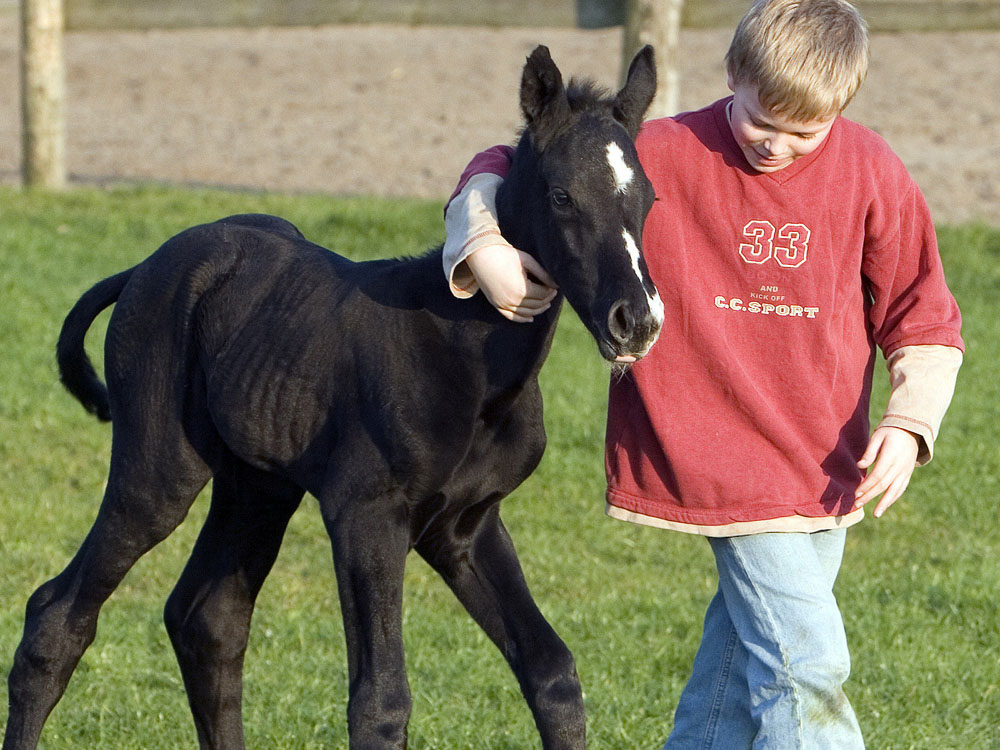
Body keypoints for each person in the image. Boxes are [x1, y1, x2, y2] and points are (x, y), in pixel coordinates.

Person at [440, 0, 964, 746]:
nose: (778, 145)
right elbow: (521, 157)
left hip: (824, 458)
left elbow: (922, 307)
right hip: (721, 453)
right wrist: (480, 240)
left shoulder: (871, 170)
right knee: (806, 663)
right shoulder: (668, 149)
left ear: (841, 107)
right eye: (761, 121)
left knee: (737, 667)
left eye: (804, 131)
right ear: (732, 76)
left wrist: (911, 421)